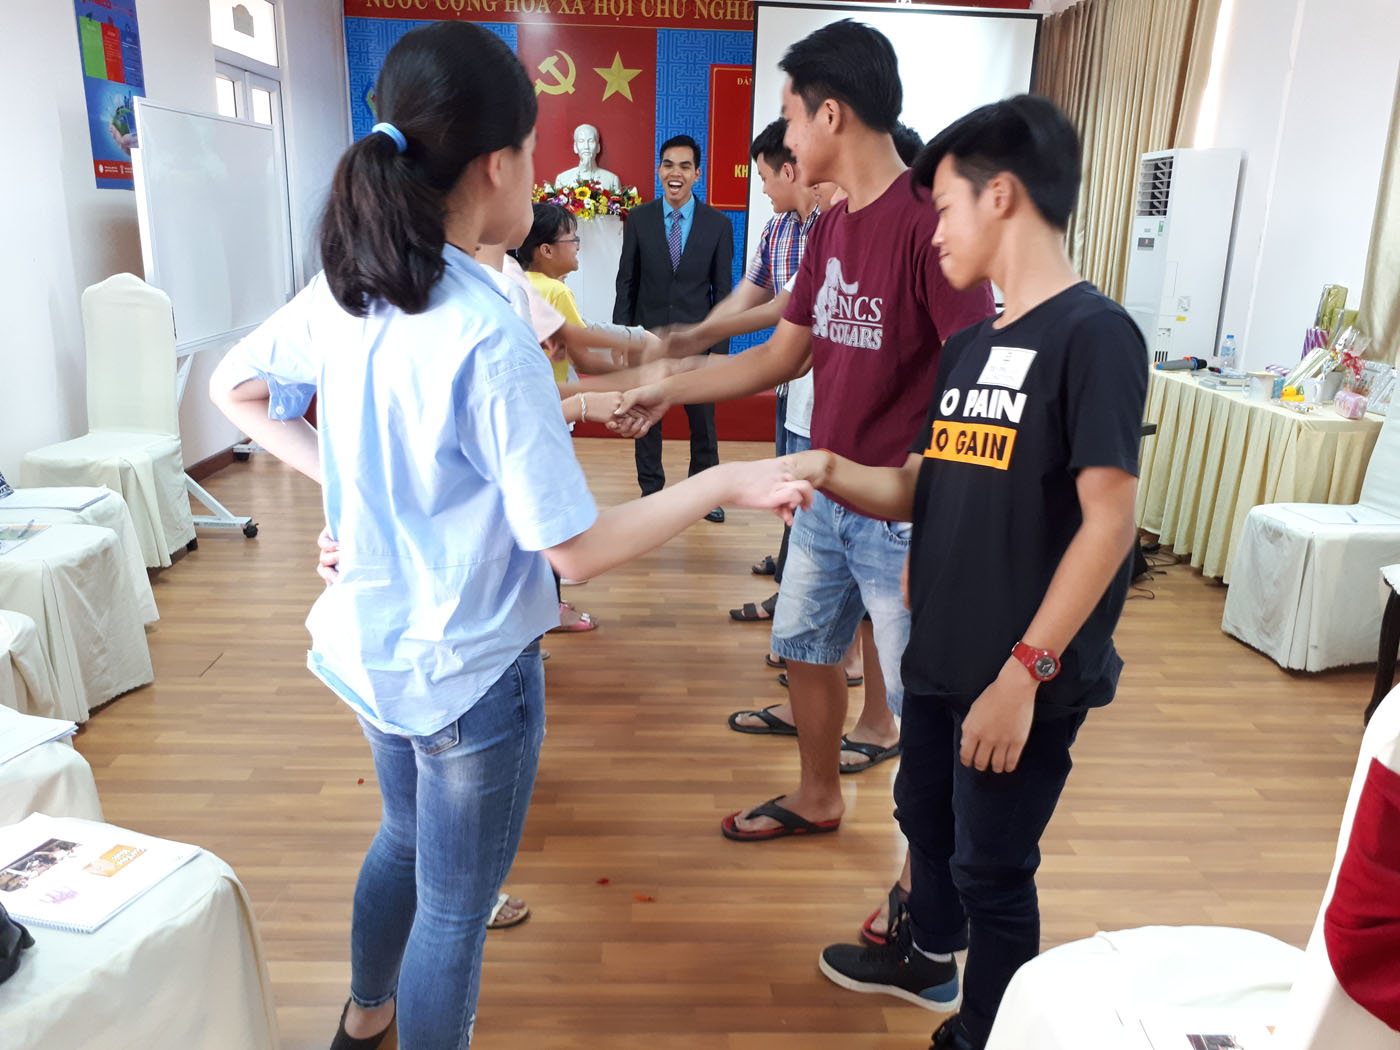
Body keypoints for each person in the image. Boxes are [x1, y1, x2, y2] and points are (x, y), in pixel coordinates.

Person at [207, 23, 809, 1050]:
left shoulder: (349, 284)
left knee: (402, 838)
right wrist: (725, 480)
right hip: (471, 666)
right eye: (533, 150)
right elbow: (575, 551)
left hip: (374, 646)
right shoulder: (488, 329)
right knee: (453, 910)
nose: (539, 171)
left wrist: (351, 496)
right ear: (496, 164)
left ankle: (363, 1018)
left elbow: (239, 391)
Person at [791, 96, 1147, 1050]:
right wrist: (825, 467)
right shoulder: (966, 348)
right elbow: (919, 486)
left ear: (1001, 196)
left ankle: (987, 1033)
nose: (935, 231)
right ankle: (924, 958)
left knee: (993, 869)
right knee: (925, 823)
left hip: (1018, 675)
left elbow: (1111, 522)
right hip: (942, 659)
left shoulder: (1094, 333)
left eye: (944, 208)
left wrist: (1024, 675)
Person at [612, 20, 994, 843]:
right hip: (821, 491)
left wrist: (942, 515)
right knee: (807, 648)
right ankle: (819, 795)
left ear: (831, 115)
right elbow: (781, 356)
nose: (785, 140)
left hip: (902, 509)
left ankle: (926, 871)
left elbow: (975, 374)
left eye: (789, 116)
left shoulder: (931, 222)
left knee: (925, 697)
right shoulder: (830, 226)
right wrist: (669, 389)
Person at [614, 134, 733, 518]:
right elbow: (626, 282)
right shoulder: (639, 219)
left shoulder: (718, 224)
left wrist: (719, 349)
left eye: (684, 165)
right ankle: (651, 493)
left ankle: (705, 496)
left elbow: (724, 292)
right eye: (668, 164)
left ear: (697, 173)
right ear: (659, 170)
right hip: (647, 339)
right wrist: (622, 338)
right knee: (645, 420)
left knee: (703, 425)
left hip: (697, 343)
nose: (675, 172)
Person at [555, 123, 622, 192]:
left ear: (598, 147)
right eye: (581, 141)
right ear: (575, 147)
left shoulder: (612, 181)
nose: (586, 147)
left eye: (591, 141)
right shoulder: (562, 180)